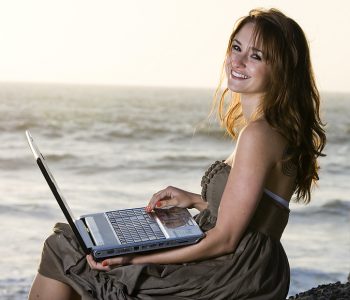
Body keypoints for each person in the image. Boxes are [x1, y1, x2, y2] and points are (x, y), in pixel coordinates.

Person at [29, 8, 326, 300]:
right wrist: (195, 201)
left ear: (281, 70)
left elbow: (226, 238)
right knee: (84, 246)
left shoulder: (258, 134)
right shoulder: (271, 129)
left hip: (233, 270)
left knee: (65, 246)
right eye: (236, 47)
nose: (238, 60)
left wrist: (134, 260)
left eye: (256, 56)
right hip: (252, 265)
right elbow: (256, 214)